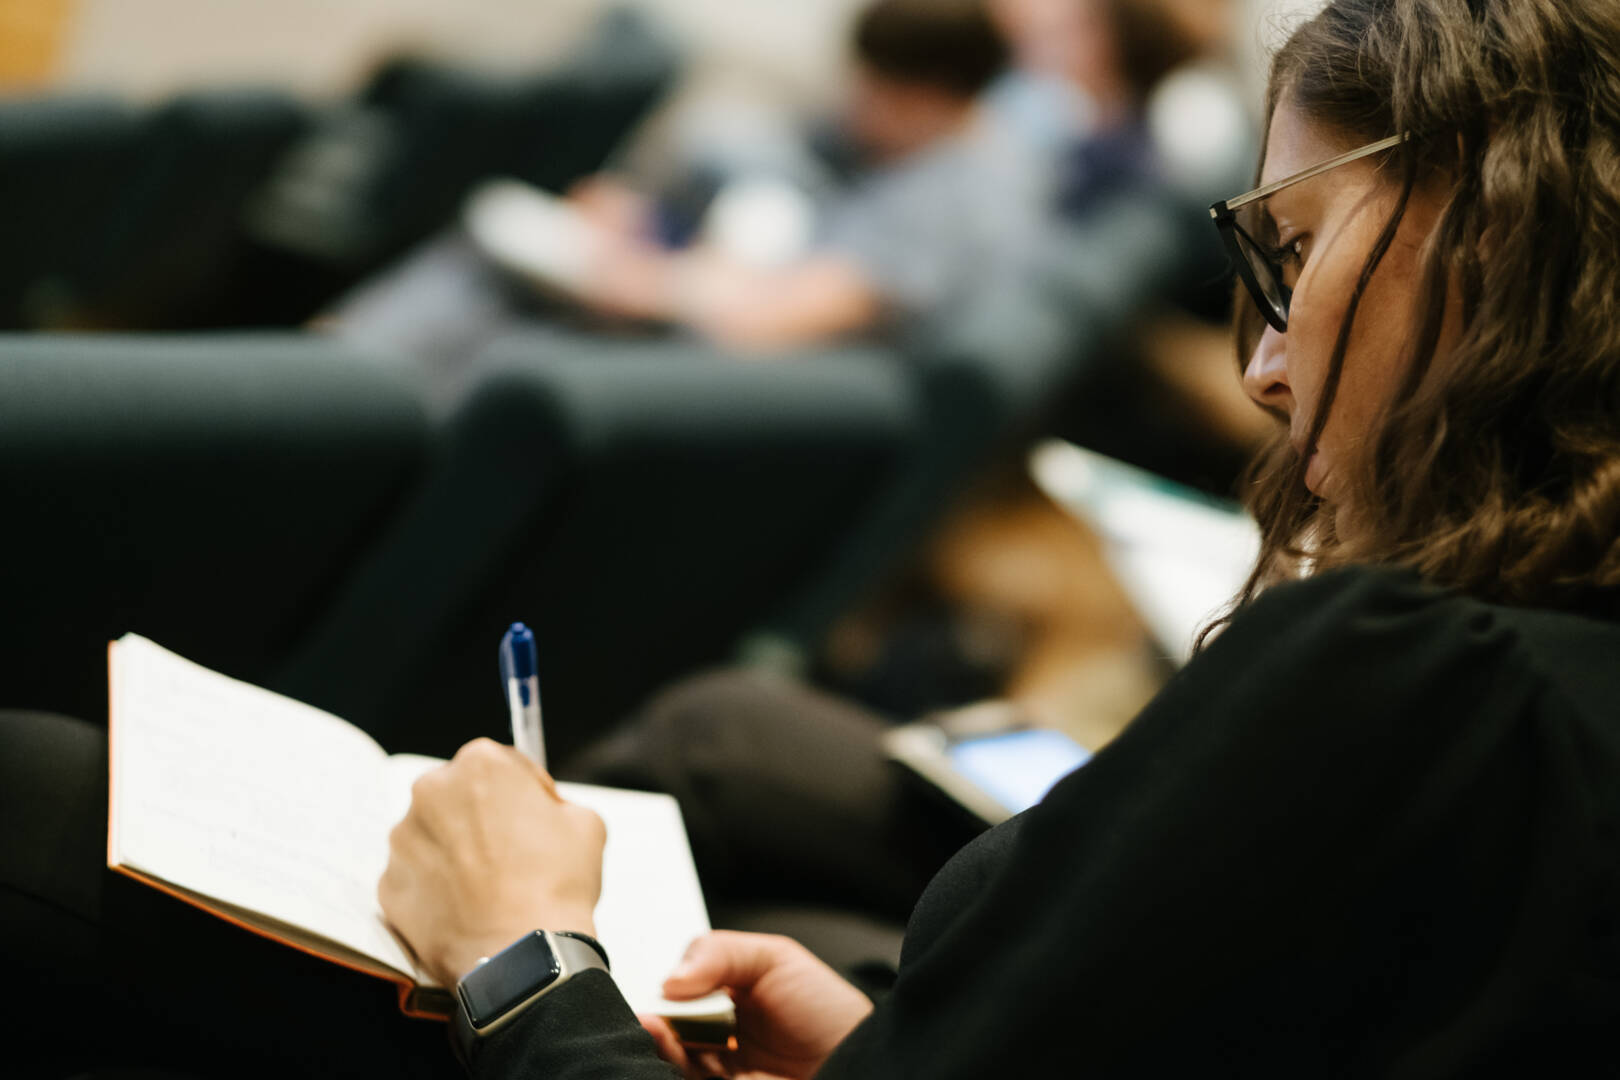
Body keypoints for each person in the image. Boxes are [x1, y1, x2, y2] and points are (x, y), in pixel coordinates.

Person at [5, 0, 1620, 1076]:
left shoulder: (1425, 675)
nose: (1261, 363)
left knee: (29, 797)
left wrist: (525, 956)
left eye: (1296, 252)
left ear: (1498, 233)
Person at [330, 0, 1036, 371]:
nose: (855, 103)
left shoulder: (955, 201)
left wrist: (643, 277)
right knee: (487, 264)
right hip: (704, 329)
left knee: (483, 286)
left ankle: (321, 401)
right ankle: (324, 389)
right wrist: (651, 226)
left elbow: (770, 323)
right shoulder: (937, 152)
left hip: (718, 387)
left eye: (877, 90)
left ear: (934, 96)